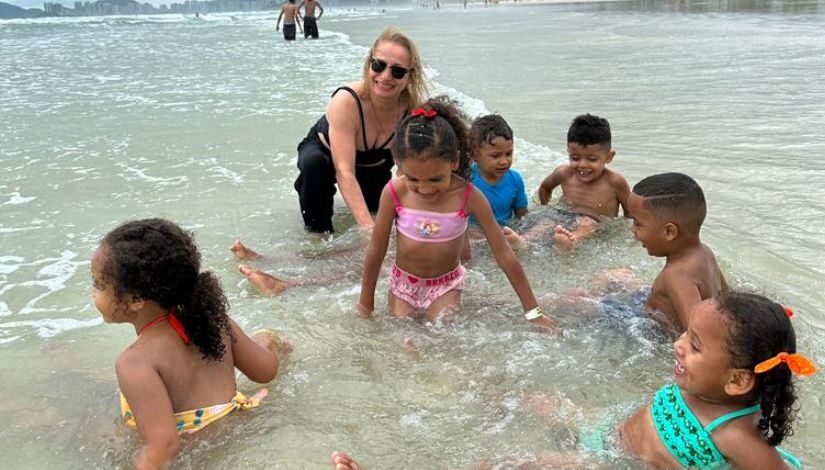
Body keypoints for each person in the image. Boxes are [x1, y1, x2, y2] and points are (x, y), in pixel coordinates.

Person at [333, 292, 813, 469]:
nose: (678, 345)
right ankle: (453, 375)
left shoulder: (734, 434)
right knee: (524, 399)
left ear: (736, 382)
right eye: (685, 334)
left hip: (603, 461)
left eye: (695, 345)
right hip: (601, 425)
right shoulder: (700, 387)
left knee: (502, 465)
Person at [93, 218, 291, 469]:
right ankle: (269, 337)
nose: (93, 292)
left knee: (96, 426)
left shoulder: (134, 362)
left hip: (200, 452)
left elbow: (164, 445)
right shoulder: (215, 321)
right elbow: (266, 371)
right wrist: (269, 345)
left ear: (135, 300)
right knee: (264, 342)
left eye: (98, 284)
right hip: (238, 425)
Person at [358, 96, 556, 330]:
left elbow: (505, 255)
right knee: (404, 339)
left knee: (445, 333)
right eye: (413, 178)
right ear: (398, 163)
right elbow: (376, 250)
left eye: (435, 179)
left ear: (454, 161)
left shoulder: (469, 197)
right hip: (403, 285)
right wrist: (365, 305)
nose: (425, 188)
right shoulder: (394, 192)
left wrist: (534, 313)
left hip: (446, 286)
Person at [293, 27, 427, 233]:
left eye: (398, 71)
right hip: (325, 153)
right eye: (378, 65)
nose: (385, 76)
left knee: (378, 213)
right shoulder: (346, 100)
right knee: (315, 169)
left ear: (410, 76)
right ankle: (317, 234)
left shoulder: (413, 111)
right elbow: (344, 171)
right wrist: (368, 232)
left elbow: (408, 170)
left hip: (374, 163)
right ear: (368, 65)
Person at [629, 172, 727, 331]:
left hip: (651, 333)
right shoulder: (705, 252)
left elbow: (696, 332)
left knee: (578, 299)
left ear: (669, 232)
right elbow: (727, 297)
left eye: (637, 223)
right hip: (652, 315)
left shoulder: (676, 275)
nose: (631, 228)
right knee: (618, 275)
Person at [531, 113, 631, 251]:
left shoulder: (615, 182)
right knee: (547, 221)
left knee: (587, 223)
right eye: (575, 158)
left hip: (594, 223)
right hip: (564, 215)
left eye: (592, 159)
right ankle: (524, 239)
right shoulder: (564, 173)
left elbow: (630, 212)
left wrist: (625, 234)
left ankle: (571, 239)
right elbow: (545, 188)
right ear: (568, 152)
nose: (583, 165)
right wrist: (546, 207)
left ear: (609, 156)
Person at [468, 113, 528, 226]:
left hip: (504, 232)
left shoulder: (515, 180)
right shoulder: (467, 178)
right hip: (476, 236)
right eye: (496, 156)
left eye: (509, 154)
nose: (504, 161)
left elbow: (523, 217)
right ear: (475, 155)